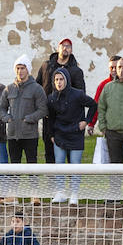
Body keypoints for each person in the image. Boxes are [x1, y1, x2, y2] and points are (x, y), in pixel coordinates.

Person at [46, 67, 97, 204]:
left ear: (67, 80)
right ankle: (61, 192)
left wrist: (86, 121)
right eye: (56, 80)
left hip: (75, 134)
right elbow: (50, 118)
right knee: (59, 164)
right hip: (59, 135)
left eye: (61, 79)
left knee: (75, 165)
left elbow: (93, 105)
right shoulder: (51, 98)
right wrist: (51, 134)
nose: (59, 82)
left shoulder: (77, 94)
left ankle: (74, 193)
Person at [0, 54, 48, 164]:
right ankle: (15, 182)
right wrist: (7, 118)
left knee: (32, 165)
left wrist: (30, 118)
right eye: (18, 68)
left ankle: (33, 182)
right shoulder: (9, 89)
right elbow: (1, 108)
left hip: (29, 135)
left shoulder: (37, 88)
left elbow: (43, 109)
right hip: (12, 134)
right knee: (14, 167)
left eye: (23, 68)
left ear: (28, 70)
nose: (20, 71)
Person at [86, 55, 120, 135]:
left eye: (116, 67)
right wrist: (91, 124)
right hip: (109, 125)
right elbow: (97, 105)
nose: (114, 70)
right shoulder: (103, 85)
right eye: (112, 68)